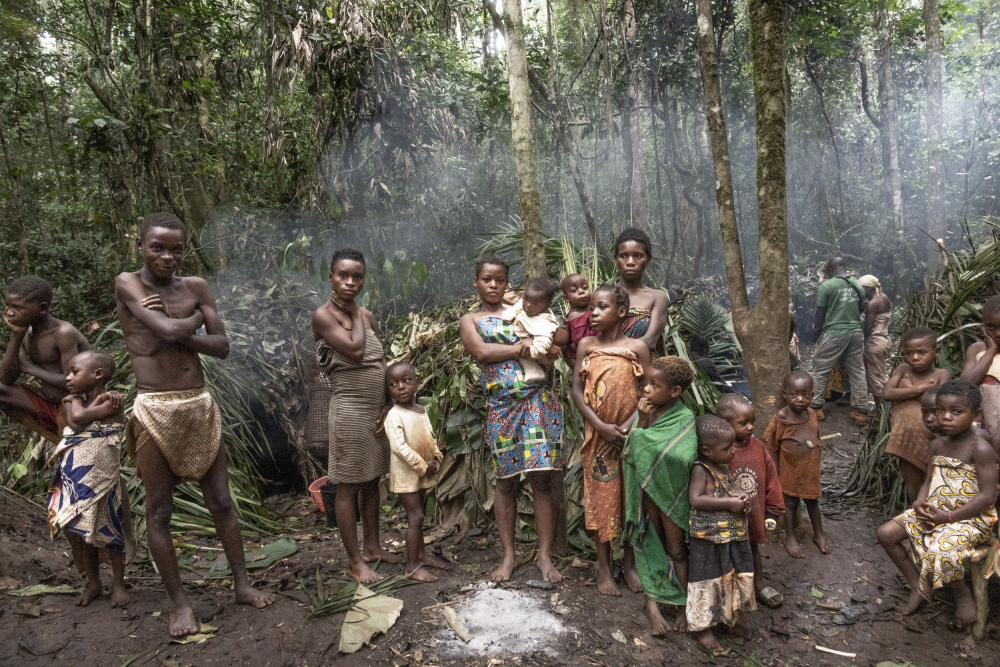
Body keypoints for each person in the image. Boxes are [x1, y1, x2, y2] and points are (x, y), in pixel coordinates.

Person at [116, 212, 274, 637]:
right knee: (160, 510)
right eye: (158, 247)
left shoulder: (196, 287)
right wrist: (191, 322)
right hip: (156, 407)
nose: (168, 256)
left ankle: (242, 584)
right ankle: (179, 605)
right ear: (142, 246)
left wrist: (176, 328)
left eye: (176, 248)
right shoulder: (128, 283)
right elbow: (166, 329)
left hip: (198, 403)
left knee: (221, 502)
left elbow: (221, 348)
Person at [459, 255, 564, 583]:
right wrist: (524, 346)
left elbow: (559, 338)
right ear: (476, 282)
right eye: (487, 279)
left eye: (500, 280)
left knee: (540, 479)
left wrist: (544, 344)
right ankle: (508, 557)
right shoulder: (470, 320)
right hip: (501, 408)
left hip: (536, 402)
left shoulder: (524, 309)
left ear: (507, 282)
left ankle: (544, 556)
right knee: (505, 481)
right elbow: (482, 353)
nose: (493, 285)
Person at [312, 248, 404, 584]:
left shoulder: (367, 316)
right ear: (331, 276)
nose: (351, 282)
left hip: (374, 412)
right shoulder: (324, 315)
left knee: (372, 480)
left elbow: (380, 362)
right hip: (348, 411)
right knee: (348, 484)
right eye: (343, 276)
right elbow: (354, 350)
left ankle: (373, 548)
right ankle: (354, 561)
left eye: (358, 277)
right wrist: (355, 313)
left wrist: (387, 402)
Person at [876, 381, 998, 629]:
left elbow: (987, 496)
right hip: (937, 512)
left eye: (956, 412)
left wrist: (950, 517)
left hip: (971, 519)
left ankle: (960, 592)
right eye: (940, 410)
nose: (945, 417)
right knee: (886, 534)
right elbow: (928, 481)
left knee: (941, 547)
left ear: (976, 415)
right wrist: (921, 501)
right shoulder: (937, 445)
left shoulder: (980, 448)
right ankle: (918, 587)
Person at [572, 284, 650, 597]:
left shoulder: (638, 347)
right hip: (598, 440)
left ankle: (629, 564)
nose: (593, 313)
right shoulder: (587, 346)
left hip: (631, 439)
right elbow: (577, 392)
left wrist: (628, 428)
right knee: (601, 501)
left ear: (621, 312)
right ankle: (604, 568)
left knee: (631, 501)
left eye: (601, 307)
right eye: (591, 308)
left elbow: (649, 392)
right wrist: (600, 426)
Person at [47, 350, 134, 608]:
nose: (68, 378)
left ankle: (118, 583)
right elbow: (77, 421)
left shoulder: (113, 402)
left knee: (110, 527)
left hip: (103, 477)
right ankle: (94, 583)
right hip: (76, 480)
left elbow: (83, 418)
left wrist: (95, 404)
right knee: (82, 531)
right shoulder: (71, 400)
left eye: (75, 372)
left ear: (98, 374)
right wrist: (94, 403)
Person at [623, 356, 698, 635]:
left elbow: (683, 456)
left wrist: (648, 445)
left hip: (670, 495)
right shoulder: (645, 413)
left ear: (675, 391)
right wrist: (641, 420)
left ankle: (684, 608)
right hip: (646, 494)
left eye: (655, 385)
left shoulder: (685, 418)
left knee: (677, 551)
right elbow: (630, 453)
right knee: (647, 544)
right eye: (646, 382)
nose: (646, 389)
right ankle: (653, 608)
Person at [686, 415, 756, 653]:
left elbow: (725, 493)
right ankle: (702, 627)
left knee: (729, 577)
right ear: (706, 451)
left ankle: (729, 620)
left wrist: (740, 501)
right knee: (706, 581)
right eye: (727, 448)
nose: (733, 452)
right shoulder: (700, 469)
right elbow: (696, 499)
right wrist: (728, 503)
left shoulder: (722, 466)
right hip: (707, 539)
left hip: (729, 537)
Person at [716, 393, 785, 608]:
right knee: (726, 554)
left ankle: (758, 583)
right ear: (724, 425)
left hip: (752, 513)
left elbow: (771, 476)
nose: (750, 427)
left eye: (752, 422)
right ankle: (729, 590)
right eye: (743, 423)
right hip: (726, 517)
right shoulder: (716, 451)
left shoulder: (758, 447)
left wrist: (773, 508)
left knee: (752, 548)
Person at [0, 276, 89, 441]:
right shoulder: (26, 333)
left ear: (42, 308)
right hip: (48, 401)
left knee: (71, 446)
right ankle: (53, 431)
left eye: (17, 307)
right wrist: (16, 335)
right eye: (9, 306)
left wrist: (29, 368)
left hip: (76, 405)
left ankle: (68, 437)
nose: (10, 312)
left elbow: (74, 384)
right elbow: (5, 379)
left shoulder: (63, 333)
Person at [383, 361, 448, 582]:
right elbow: (399, 448)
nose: (400, 387)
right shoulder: (393, 415)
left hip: (422, 472)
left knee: (419, 517)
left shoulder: (421, 410)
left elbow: (430, 438)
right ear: (389, 390)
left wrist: (437, 458)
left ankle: (421, 556)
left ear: (416, 382)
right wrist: (423, 466)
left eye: (405, 380)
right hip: (406, 475)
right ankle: (411, 566)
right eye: (393, 384)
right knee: (416, 517)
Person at [765, 370, 830, 558]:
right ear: (784, 394)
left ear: (812, 394)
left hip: (810, 470)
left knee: (813, 503)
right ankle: (790, 536)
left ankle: (819, 534)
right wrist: (774, 474)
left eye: (805, 395)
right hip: (790, 472)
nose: (800, 399)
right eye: (794, 395)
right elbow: (771, 445)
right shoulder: (782, 418)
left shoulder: (811, 414)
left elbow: (816, 437)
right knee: (790, 504)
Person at [883, 327, 951, 502]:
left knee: (933, 482)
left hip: (933, 440)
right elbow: (888, 394)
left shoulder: (942, 375)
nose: (914, 358)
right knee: (912, 484)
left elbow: (939, 407)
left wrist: (907, 389)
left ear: (936, 352)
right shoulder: (903, 369)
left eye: (921, 352)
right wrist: (921, 389)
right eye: (909, 353)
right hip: (905, 440)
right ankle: (916, 518)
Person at [809, 257, 868, 427]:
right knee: (857, 370)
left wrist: (816, 331)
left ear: (829, 269)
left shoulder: (826, 286)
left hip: (835, 332)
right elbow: (861, 309)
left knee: (820, 366)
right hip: (856, 333)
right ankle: (861, 411)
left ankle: (816, 407)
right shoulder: (858, 286)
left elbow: (820, 312)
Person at [613, 228, 668, 357]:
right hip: (606, 371)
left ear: (648, 259)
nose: (630, 262)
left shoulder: (657, 297)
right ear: (616, 259)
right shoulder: (603, 296)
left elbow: (649, 342)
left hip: (645, 371)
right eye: (623, 256)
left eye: (638, 256)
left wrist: (606, 351)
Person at [502, 277, 560, 384]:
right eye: (526, 299)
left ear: (547, 305)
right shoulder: (528, 304)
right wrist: (507, 316)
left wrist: (527, 349)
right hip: (530, 339)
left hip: (541, 354)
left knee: (523, 355)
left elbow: (542, 347)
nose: (528, 305)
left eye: (535, 304)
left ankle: (535, 372)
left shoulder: (545, 323)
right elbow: (517, 307)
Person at [960, 294, 1000, 434]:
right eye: (991, 327)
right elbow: (967, 383)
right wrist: (991, 350)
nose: (998, 333)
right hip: (983, 424)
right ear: (983, 325)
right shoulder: (977, 349)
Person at [860, 275, 891, 412]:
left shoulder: (871, 303)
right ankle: (880, 408)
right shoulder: (884, 297)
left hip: (874, 343)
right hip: (884, 340)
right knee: (879, 373)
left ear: (869, 288)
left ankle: (880, 411)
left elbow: (868, 328)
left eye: (862, 288)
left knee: (876, 377)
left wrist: (861, 338)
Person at [561, 273, 595, 365]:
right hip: (583, 360)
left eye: (585, 288)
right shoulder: (572, 318)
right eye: (574, 290)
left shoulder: (594, 311)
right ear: (566, 298)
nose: (581, 291)